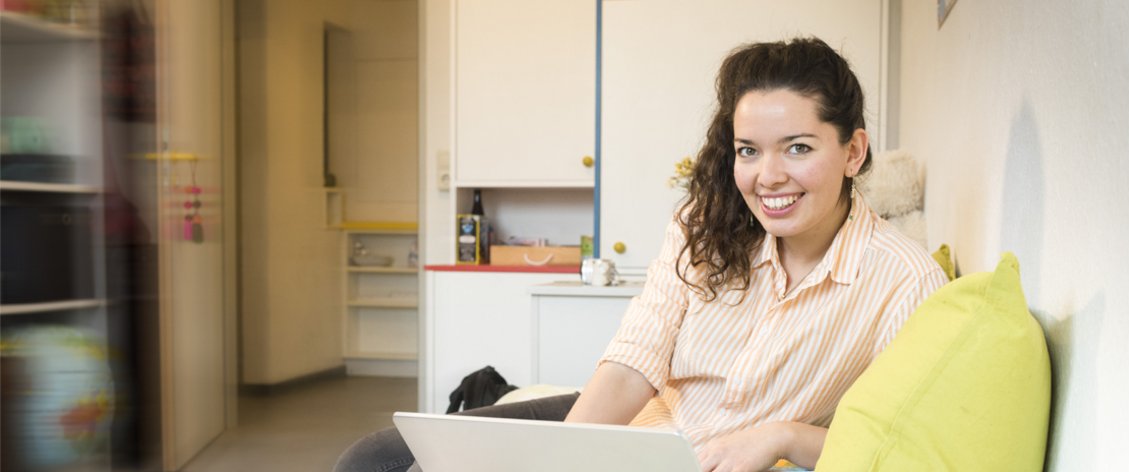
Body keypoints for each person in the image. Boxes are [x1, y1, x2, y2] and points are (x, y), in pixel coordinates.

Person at [333, 36, 948, 472]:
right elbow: (633, 366)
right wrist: (558, 464)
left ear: (854, 151)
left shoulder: (902, 280)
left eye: (797, 147)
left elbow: (895, 441)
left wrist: (784, 436)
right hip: (635, 431)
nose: (768, 176)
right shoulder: (705, 226)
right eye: (749, 150)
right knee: (377, 459)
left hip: (706, 459)